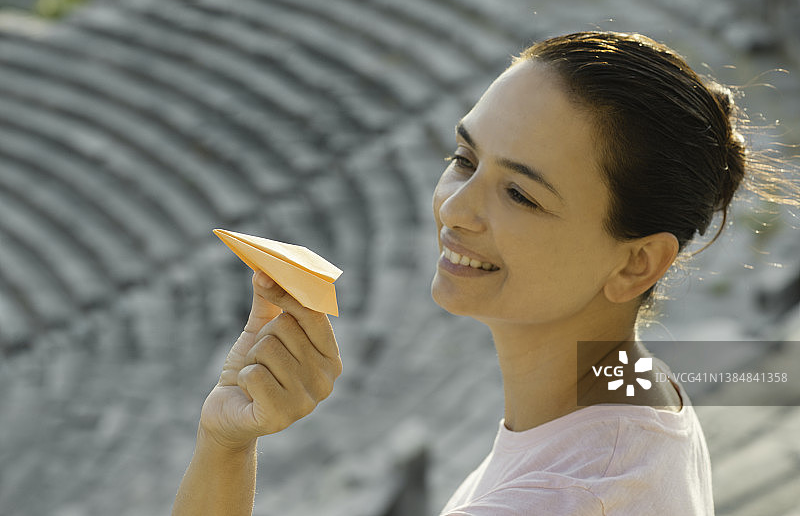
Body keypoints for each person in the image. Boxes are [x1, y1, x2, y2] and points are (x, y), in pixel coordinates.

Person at [172, 30, 761, 515]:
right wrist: (227, 436)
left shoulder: (564, 496)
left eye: (520, 194)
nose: (455, 209)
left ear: (636, 262)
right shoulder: (636, 395)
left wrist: (223, 450)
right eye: (464, 159)